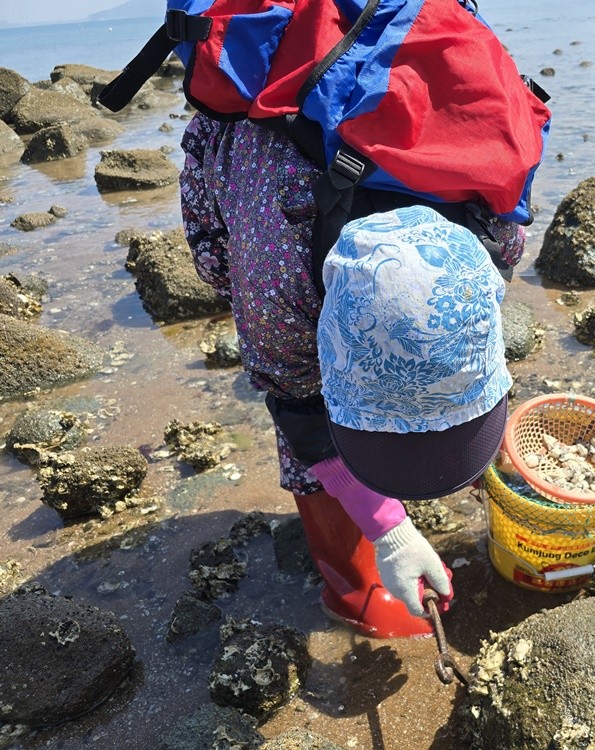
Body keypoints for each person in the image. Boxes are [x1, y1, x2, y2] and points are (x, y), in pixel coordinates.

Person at [179, 113, 523, 638]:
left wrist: (460, 417)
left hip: (403, 146)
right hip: (253, 165)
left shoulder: (496, 227)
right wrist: (388, 532)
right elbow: (296, 404)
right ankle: (349, 582)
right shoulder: (278, 289)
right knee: (301, 406)